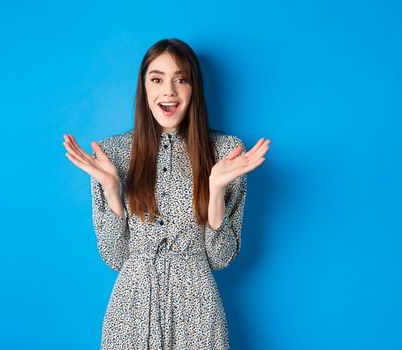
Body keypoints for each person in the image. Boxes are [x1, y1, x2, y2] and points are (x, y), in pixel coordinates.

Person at [62, 38, 271, 349]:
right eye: (157, 79)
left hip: (199, 313)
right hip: (130, 314)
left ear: (193, 89)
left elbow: (221, 257)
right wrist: (112, 190)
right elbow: (115, 257)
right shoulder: (112, 155)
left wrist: (215, 190)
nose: (169, 91)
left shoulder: (226, 153)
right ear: (144, 87)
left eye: (181, 79)